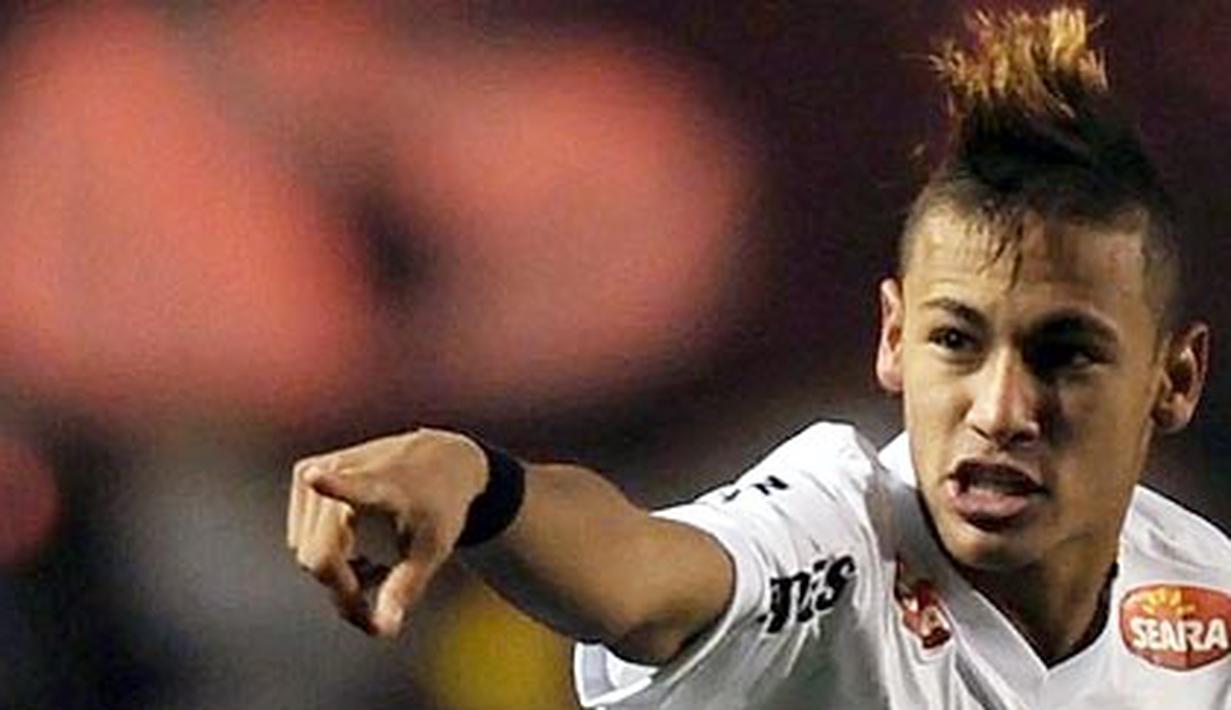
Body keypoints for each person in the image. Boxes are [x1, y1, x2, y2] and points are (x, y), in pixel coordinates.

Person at [286, 7, 1231, 708]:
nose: (997, 407)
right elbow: (643, 574)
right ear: (893, 341)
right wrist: (485, 486)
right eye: (955, 341)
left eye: (1065, 357)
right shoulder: (838, 534)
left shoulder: (1200, 592)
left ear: (1172, 380)